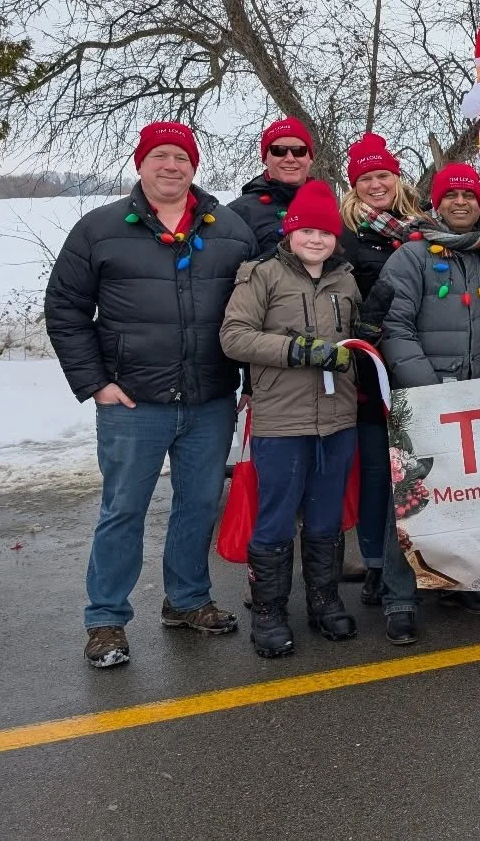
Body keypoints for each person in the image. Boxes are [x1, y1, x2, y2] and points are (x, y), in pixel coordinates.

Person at [45, 122, 256, 669]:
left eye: (181, 157)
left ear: (194, 166)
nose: (171, 166)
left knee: (199, 505)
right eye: (159, 156)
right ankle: (106, 620)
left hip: (209, 399)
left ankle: (186, 601)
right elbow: (66, 311)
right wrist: (95, 383)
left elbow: (258, 311)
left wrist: (250, 384)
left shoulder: (229, 229)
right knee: (123, 510)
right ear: (140, 164)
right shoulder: (100, 229)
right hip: (133, 403)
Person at [220, 180, 362, 658]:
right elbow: (234, 337)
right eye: (306, 231)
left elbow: (356, 337)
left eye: (325, 232)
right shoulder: (261, 275)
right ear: (290, 232)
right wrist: (295, 351)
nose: (316, 240)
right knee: (276, 516)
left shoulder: (346, 279)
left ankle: (323, 600)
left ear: (336, 237)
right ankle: (269, 610)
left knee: (326, 515)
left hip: (337, 418)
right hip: (282, 419)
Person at [379, 162, 480, 617]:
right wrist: (429, 392)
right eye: (451, 195)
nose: (459, 202)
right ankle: (399, 598)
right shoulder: (412, 257)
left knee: (468, 494)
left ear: (479, 202)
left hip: (479, 394)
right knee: (412, 497)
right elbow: (393, 328)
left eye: (468, 195)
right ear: (436, 202)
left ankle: (460, 580)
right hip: (426, 398)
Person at [338, 133, 426, 642]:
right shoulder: (347, 236)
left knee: (416, 478)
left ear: (397, 180)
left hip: (415, 369)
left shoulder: (420, 229)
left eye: (384, 176)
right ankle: (375, 563)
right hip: (370, 375)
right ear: (355, 185)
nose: (376, 184)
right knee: (377, 476)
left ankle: (421, 562)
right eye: (367, 177)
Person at [228, 116, 316, 255]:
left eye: (299, 150)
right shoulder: (238, 213)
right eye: (279, 150)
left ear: (309, 159)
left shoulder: (330, 207)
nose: (290, 159)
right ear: (265, 159)